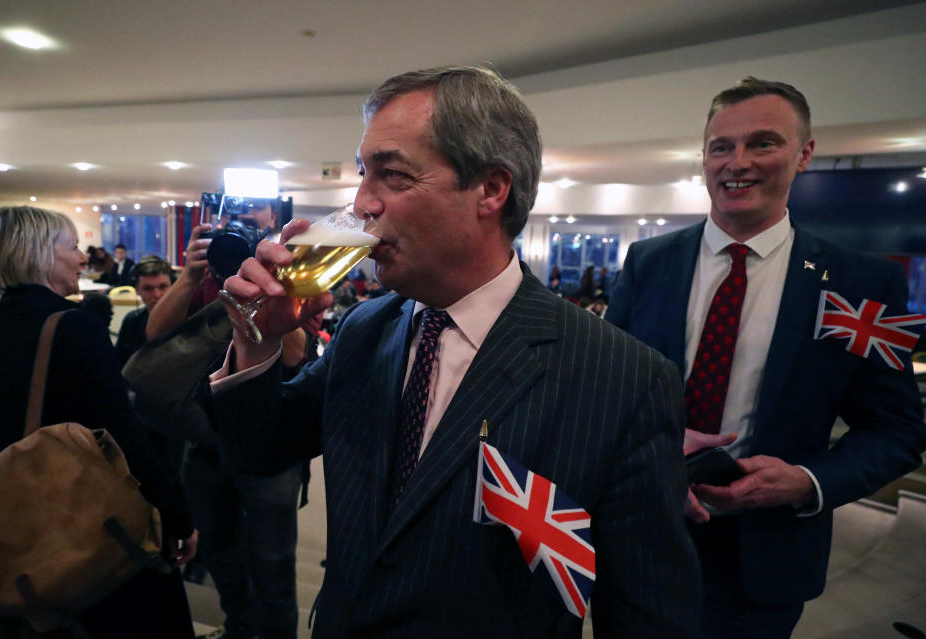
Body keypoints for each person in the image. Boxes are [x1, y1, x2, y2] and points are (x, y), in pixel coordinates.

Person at [210, 65, 700, 638]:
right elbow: (257, 452)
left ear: (491, 189)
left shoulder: (623, 378)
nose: (362, 203)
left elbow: (650, 614)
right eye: (364, 174)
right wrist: (255, 341)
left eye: (392, 176)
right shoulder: (367, 328)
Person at [605, 77, 926, 638]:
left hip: (766, 557)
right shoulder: (646, 262)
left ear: (804, 155)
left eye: (763, 143)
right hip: (640, 536)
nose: (738, 163)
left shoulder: (863, 284)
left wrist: (805, 480)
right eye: (720, 146)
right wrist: (650, 448)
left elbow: (898, 431)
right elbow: (603, 392)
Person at [0, 206, 197, 639]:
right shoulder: (76, 328)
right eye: (71, 247)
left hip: (21, 541)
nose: (82, 258)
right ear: (39, 254)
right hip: (95, 534)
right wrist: (177, 516)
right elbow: (123, 433)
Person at [146, 197, 308, 639]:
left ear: (272, 220)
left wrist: (269, 295)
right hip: (205, 442)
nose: (244, 220)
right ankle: (238, 628)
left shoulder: (283, 270)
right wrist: (190, 277)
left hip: (269, 448)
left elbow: (297, 355)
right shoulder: (208, 271)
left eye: (254, 211)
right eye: (235, 213)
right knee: (220, 552)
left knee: (274, 565)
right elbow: (155, 338)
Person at [116, 256, 173, 366]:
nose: (157, 295)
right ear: (137, 290)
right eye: (148, 288)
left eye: (163, 287)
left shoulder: (187, 318)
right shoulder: (132, 321)